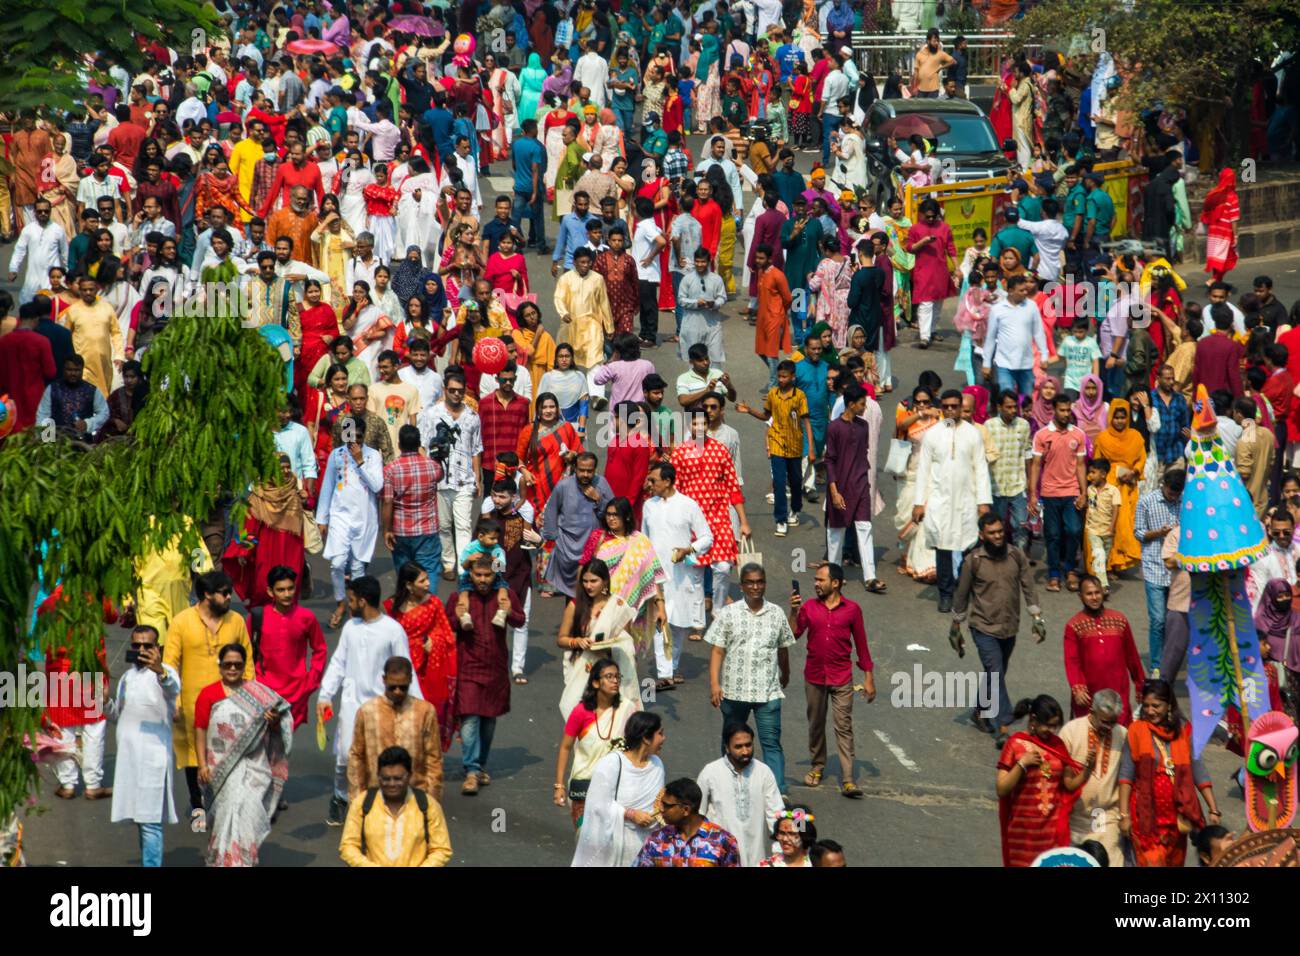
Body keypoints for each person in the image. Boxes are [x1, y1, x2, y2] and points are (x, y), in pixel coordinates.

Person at [317, 575, 423, 827]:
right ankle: (340, 797)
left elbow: (405, 668)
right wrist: (325, 695)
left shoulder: (393, 631)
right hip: (352, 705)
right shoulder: (350, 628)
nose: (349, 604)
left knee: (380, 759)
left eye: (351, 600)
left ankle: (376, 808)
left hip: (383, 706)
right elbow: (339, 662)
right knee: (344, 756)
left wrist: (419, 707)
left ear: (362, 601)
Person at [164, 571, 254, 833]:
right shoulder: (182, 622)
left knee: (230, 758)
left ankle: (226, 810)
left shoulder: (236, 621)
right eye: (224, 593)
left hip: (230, 705)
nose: (229, 597)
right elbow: (170, 664)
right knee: (195, 761)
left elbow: (248, 661)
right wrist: (174, 701)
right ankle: (198, 808)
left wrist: (250, 697)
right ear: (207, 595)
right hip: (192, 706)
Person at [193, 643, 293, 867]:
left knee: (249, 811)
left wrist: (273, 721)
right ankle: (222, 860)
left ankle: (243, 861)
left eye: (237, 665)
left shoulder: (258, 694)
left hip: (254, 767)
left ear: (244, 666)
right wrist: (202, 765)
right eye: (228, 664)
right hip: (221, 769)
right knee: (226, 814)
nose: (232, 669)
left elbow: (280, 722)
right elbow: (200, 729)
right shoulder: (208, 694)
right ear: (220, 665)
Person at [952, 513, 1046, 742]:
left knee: (996, 673)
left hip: (1010, 626)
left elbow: (1028, 586)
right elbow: (961, 595)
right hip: (983, 627)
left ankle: (979, 710)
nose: (997, 536)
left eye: (1000, 532)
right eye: (992, 533)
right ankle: (1003, 724)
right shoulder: (973, 561)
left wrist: (1037, 618)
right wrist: (956, 627)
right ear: (981, 535)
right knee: (995, 671)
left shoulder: (1016, 556)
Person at [705, 563, 796, 796]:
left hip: (767, 692)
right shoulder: (729, 613)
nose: (755, 587)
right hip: (734, 692)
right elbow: (717, 650)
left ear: (765, 583)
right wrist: (715, 684)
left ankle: (777, 794)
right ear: (742, 585)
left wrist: (785, 673)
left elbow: (783, 648)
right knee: (732, 743)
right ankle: (728, 788)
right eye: (750, 582)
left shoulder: (776, 613)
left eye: (760, 582)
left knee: (771, 743)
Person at [789, 562, 875, 798]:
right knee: (816, 724)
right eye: (815, 580)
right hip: (814, 676)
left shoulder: (852, 610)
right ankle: (817, 766)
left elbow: (862, 645)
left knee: (843, 726)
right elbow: (792, 634)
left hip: (841, 677)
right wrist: (794, 612)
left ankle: (848, 779)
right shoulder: (808, 607)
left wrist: (869, 677)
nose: (816, 584)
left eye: (821, 580)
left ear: (835, 583)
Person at [1119, 679, 1223, 867]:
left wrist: (1213, 808)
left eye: (1156, 706)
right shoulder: (1136, 730)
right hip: (1146, 819)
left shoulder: (1183, 731)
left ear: (1168, 705)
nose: (1150, 711)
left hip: (1177, 819)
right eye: (1146, 706)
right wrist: (1124, 815)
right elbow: (1126, 775)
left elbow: (1197, 769)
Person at [914, 389, 993, 613]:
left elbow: (981, 469)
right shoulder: (933, 434)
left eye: (954, 406)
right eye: (946, 406)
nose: (950, 410)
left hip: (967, 499)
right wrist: (919, 502)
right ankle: (946, 594)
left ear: (960, 407)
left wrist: (983, 502)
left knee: (969, 545)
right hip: (940, 500)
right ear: (941, 408)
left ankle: (966, 590)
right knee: (943, 547)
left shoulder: (973, 434)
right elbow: (923, 470)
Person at [453, 555, 526, 795]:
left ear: (495, 575)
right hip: (468, 668)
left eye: (487, 575)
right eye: (478, 575)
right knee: (469, 720)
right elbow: (447, 623)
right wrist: (457, 616)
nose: (483, 580)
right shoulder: (460, 597)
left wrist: (509, 611)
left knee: (488, 723)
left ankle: (480, 765)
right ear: (470, 575)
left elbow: (520, 620)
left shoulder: (505, 596)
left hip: (495, 669)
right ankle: (471, 770)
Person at [108, 624, 180, 867]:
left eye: (147, 645)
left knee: (150, 822)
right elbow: (118, 715)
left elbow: (173, 688)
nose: (141, 650)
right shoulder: (127, 678)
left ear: (157, 648)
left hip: (152, 761)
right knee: (141, 820)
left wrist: (160, 671)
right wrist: (104, 700)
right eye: (136, 645)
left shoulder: (166, 675)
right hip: (128, 760)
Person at [642, 461, 714, 687]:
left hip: (681, 575)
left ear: (667, 481)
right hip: (657, 574)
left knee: (679, 623)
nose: (649, 484)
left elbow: (707, 537)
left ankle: (671, 667)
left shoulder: (688, 505)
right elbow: (644, 540)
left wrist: (689, 550)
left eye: (653, 480)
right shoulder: (648, 506)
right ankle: (664, 674)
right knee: (660, 619)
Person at [995, 695, 1089, 867]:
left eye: (1055, 726)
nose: (1052, 730)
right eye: (1048, 725)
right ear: (1033, 720)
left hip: (1051, 833)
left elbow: (1068, 785)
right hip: (1023, 834)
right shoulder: (1015, 744)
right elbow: (1001, 789)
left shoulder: (1057, 745)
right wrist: (1022, 764)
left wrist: (1087, 771)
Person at [572, 711, 667, 866]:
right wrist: (630, 814)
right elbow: (597, 804)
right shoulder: (611, 763)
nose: (664, 738)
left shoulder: (657, 764)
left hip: (647, 846)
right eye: (660, 734)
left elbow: (658, 801)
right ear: (645, 738)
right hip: (615, 845)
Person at [317, 413, 386, 628]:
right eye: (350, 437)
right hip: (340, 516)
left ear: (364, 436)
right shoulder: (336, 455)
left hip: (364, 518)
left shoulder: (373, 456)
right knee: (337, 563)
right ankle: (340, 602)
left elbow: (377, 486)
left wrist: (360, 461)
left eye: (358, 437)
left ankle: (355, 607)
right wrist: (322, 518)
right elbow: (328, 486)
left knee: (357, 567)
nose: (353, 442)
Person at [554, 657, 640, 828]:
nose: (615, 681)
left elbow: (637, 747)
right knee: (585, 838)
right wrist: (559, 785)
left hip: (616, 786)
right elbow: (565, 747)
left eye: (617, 676)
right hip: (584, 784)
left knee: (611, 839)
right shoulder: (581, 711)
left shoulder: (627, 709)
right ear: (595, 683)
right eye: (609, 677)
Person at [339, 745, 453, 868]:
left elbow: (441, 849)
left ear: (409, 776)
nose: (392, 784)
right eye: (386, 778)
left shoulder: (427, 805)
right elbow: (348, 846)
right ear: (378, 776)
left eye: (398, 778)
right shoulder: (362, 804)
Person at [348, 657, 443, 802]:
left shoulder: (425, 711)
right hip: (376, 798)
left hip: (414, 798)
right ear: (384, 680)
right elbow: (356, 757)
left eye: (403, 687)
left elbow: (433, 759)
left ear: (410, 680)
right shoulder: (367, 712)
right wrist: (357, 800)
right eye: (392, 687)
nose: (398, 692)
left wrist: (432, 801)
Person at [248, 566, 326, 732]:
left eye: (290, 588)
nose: (287, 594)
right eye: (281, 590)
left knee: (285, 742)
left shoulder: (307, 617)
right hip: (263, 691)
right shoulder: (257, 618)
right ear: (270, 592)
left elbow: (320, 649)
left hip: (296, 693)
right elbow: (245, 652)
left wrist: (312, 680)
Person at [697, 722, 785, 867]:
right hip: (719, 854)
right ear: (727, 747)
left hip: (756, 856)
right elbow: (697, 815)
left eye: (748, 745)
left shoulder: (764, 772)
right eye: (738, 747)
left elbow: (775, 813)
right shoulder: (710, 772)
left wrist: (781, 847)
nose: (745, 751)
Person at [824, 383, 884, 592]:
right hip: (840, 487)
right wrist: (834, 492)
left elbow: (862, 455)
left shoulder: (863, 426)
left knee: (865, 528)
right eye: (861, 404)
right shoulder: (834, 428)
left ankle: (870, 577)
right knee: (836, 532)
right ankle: (833, 575)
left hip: (860, 485)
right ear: (850, 404)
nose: (864, 407)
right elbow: (829, 460)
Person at [1057, 689, 1127, 867]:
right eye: (1105, 722)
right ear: (1092, 712)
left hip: (1106, 818)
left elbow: (1127, 777)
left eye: (1113, 722)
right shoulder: (1070, 732)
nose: (1109, 727)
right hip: (1075, 818)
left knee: (1111, 862)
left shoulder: (1122, 734)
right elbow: (1063, 781)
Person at [1063, 576, 1145, 726]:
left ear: (1103, 592)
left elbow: (1132, 655)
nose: (1094, 597)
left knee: (1120, 731)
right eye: (1089, 594)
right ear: (1080, 596)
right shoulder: (1074, 625)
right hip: (1090, 694)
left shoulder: (1119, 620)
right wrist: (1078, 688)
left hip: (1118, 690)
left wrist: (1141, 684)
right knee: (1090, 732)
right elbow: (1072, 661)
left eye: (1097, 592)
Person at [1030, 394, 1088, 593]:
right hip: (1050, 493)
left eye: (1068, 410)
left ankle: (1070, 569)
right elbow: (1036, 465)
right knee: (1052, 534)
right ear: (1054, 410)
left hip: (1071, 491)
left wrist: (1083, 493)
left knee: (1073, 530)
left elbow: (1080, 465)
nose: (1065, 414)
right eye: (1061, 410)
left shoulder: (1078, 434)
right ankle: (1054, 573)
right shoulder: (1042, 435)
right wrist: (1032, 494)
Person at [541, 452, 615, 599]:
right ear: (575, 468)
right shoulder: (563, 486)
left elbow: (613, 513)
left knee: (593, 592)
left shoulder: (601, 484)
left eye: (589, 471)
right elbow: (551, 511)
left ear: (595, 470)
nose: (585, 474)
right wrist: (554, 538)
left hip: (593, 549)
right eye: (582, 470)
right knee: (572, 597)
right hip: (566, 549)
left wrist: (599, 499)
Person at [1132, 469, 1185, 674]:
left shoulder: (1185, 503)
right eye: (1171, 493)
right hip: (1154, 567)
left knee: (1174, 621)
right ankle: (1156, 665)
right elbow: (1138, 533)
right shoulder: (1146, 501)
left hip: (1177, 571)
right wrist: (1159, 533)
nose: (1173, 497)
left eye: (1177, 494)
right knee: (1158, 620)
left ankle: (1170, 661)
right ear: (1163, 485)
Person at [634, 776, 742, 867]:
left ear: (686, 810)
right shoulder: (656, 840)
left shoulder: (723, 841)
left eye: (667, 805)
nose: (661, 809)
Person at [381, 425, 443, 578]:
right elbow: (440, 475)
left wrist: (387, 530)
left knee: (406, 577)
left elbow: (387, 502)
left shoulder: (390, 470)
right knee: (428, 572)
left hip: (401, 531)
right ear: (419, 444)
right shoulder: (433, 466)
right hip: (428, 530)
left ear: (399, 445)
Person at [981, 274, 1048, 397]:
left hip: (1026, 364)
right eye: (1021, 290)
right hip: (1004, 364)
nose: (1025, 293)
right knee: (1008, 399)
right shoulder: (997, 309)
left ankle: (1022, 410)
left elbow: (1038, 332)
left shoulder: (1031, 306)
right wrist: (986, 363)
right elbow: (990, 338)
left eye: (1026, 290)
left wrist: (1044, 355)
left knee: (1025, 401)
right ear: (1011, 291)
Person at [906, 198, 959, 348]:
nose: (930, 219)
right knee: (925, 303)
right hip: (923, 271)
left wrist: (957, 267)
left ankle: (932, 330)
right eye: (927, 216)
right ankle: (924, 336)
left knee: (938, 302)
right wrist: (923, 242)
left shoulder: (945, 228)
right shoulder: (915, 228)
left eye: (933, 216)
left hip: (940, 271)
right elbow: (910, 248)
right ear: (922, 214)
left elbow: (951, 249)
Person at [1199, 168, 1239, 283]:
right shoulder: (1232, 196)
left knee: (1217, 256)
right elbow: (1234, 219)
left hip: (1213, 229)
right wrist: (1235, 235)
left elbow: (1206, 211)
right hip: (1225, 231)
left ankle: (1217, 282)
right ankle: (1214, 279)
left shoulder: (1213, 193)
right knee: (1228, 257)